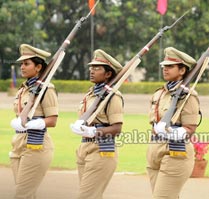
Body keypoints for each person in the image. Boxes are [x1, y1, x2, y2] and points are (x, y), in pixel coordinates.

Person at [147, 47, 201, 198]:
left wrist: (175, 132)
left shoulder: (188, 95)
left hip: (175, 152)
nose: (165, 69)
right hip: (155, 151)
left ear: (182, 70)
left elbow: (190, 127)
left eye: (170, 66)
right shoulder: (159, 93)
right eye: (164, 66)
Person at [70, 49, 123, 199]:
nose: (91, 71)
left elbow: (117, 128)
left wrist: (93, 131)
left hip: (101, 151)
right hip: (84, 149)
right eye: (91, 67)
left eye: (97, 68)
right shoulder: (91, 93)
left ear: (108, 74)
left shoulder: (112, 96)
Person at [9, 44, 58, 198]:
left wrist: (36, 123)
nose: (22, 67)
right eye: (21, 64)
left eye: (26, 63)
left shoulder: (46, 89)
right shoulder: (24, 89)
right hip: (18, 144)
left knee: (21, 194)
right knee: (27, 195)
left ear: (38, 67)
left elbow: (53, 119)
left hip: (36, 146)